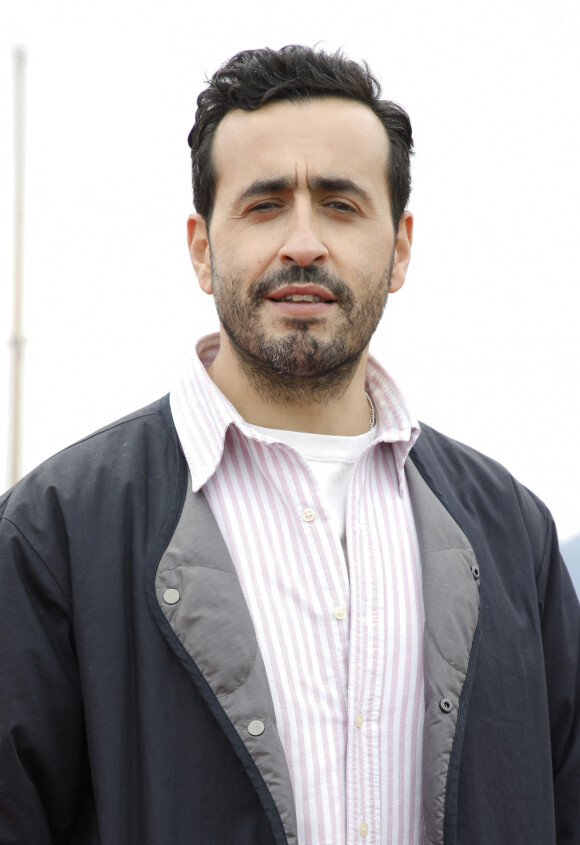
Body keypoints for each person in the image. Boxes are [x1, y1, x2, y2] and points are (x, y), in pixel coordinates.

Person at [0, 45, 578, 845]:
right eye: (265, 204)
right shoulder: (53, 532)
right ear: (201, 247)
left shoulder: (517, 537)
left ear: (401, 246)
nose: (303, 242)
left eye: (340, 205)